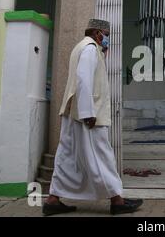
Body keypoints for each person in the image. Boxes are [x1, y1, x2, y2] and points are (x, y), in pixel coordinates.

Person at [42, 19, 143, 216]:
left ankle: (52, 200)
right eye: (107, 36)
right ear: (98, 34)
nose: (107, 40)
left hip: (74, 113)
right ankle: (117, 201)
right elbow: (84, 80)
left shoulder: (83, 48)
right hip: (87, 115)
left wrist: (102, 55)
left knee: (68, 156)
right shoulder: (89, 48)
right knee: (102, 155)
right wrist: (89, 113)